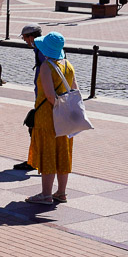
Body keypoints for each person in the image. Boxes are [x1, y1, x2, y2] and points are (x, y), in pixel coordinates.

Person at [26, 32, 78, 205]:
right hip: (67, 118)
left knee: (48, 153)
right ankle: (61, 192)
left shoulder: (46, 66)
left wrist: (57, 109)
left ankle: (46, 194)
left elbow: (49, 95)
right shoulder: (68, 65)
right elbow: (75, 90)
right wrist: (65, 112)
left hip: (48, 116)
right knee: (63, 152)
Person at [14, 24, 44, 171]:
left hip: (44, 99)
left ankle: (35, 161)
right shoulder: (43, 47)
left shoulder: (41, 50)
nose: (25, 41)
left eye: (25, 38)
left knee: (35, 128)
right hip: (44, 97)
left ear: (31, 37)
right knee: (36, 128)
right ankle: (36, 159)